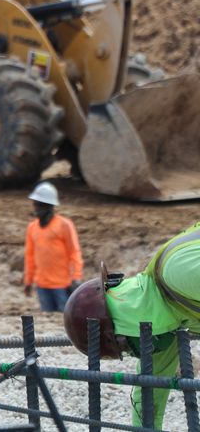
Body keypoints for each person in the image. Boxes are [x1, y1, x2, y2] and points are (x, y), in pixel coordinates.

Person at [64, 224, 200, 430]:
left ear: (123, 328)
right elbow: (149, 393)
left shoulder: (178, 274)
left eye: (127, 347)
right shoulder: (165, 313)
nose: (135, 353)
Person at [22, 181, 83, 312]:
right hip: (42, 286)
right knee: (48, 321)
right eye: (36, 205)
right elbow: (29, 256)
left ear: (50, 206)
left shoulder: (64, 225)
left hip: (62, 285)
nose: (36, 209)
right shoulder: (32, 228)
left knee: (64, 321)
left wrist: (76, 278)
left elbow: (74, 252)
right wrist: (28, 281)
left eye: (40, 205)